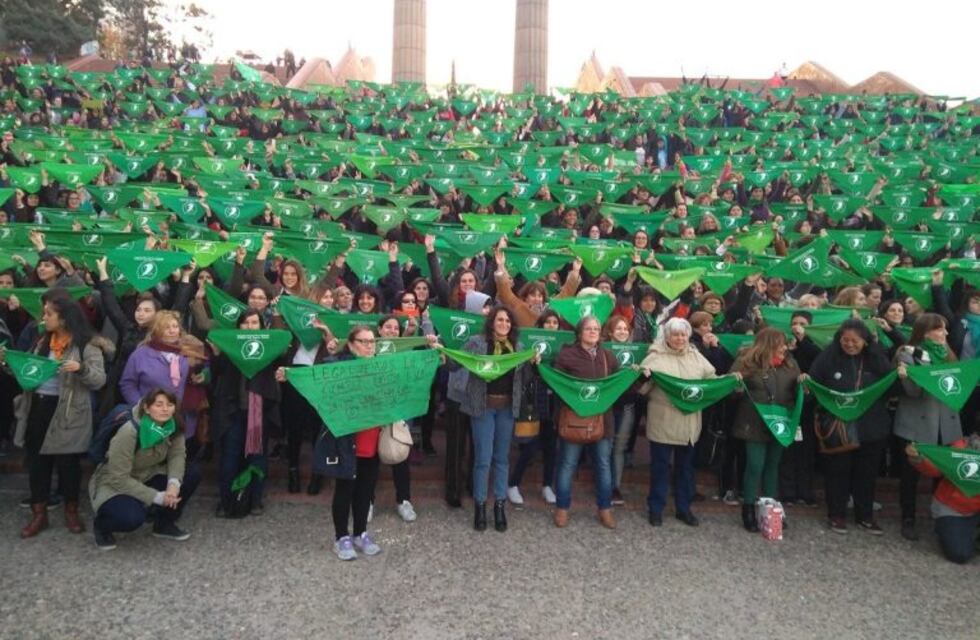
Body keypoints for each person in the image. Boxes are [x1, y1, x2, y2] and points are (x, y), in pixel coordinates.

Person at [10, 295, 106, 538]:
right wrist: (8, 362)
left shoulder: (86, 345)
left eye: (48, 314)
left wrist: (81, 368)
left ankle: (71, 511)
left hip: (68, 411)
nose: (44, 318)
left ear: (63, 318)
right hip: (38, 407)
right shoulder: (41, 339)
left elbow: (98, 379)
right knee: (37, 462)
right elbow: (29, 369)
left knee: (68, 465)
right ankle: (39, 513)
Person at [446, 305, 532, 532]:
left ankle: (500, 506)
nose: (504, 324)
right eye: (500, 320)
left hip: (506, 409)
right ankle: (481, 506)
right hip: (482, 407)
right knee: (483, 458)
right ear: (492, 322)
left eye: (507, 321)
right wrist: (441, 350)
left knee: (502, 458)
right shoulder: (476, 342)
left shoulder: (518, 347)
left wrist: (533, 363)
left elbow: (523, 380)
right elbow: (456, 364)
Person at [809, 319, 894, 535]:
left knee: (866, 475)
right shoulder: (828, 357)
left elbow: (892, 387)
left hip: (871, 427)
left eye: (854, 340)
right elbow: (815, 384)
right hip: (839, 427)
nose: (849, 344)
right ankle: (836, 515)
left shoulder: (877, 360)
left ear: (865, 341)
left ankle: (865, 516)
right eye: (844, 340)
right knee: (837, 472)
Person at [89, 389, 200, 549]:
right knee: (131, 518)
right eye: (159, 404)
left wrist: (173, 485)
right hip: (114, 482)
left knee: (191, 473)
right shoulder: (129, 431)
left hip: (148, 473)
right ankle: (102, 526)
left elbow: (177, 455)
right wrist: (156, 497)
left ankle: (164, 523)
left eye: (170, 405)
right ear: (147, 408)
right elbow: (118, 478)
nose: (165, 409)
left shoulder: (173, 425)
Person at [639, 317, 717, 527]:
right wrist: (644, 378)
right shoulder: (655, 357)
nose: (680, 338)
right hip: (663, 421)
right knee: (660, 469)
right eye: (675, 334)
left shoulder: (696, 356)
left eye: (683, 334)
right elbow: (641, 389)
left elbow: (711, 380)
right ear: (667, 336)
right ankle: (656, 508)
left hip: (689, 424)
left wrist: (729, 381)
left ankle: (684, 509)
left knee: (685, 470)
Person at [894, 312, 963, 541]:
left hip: (946, 423)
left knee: (942, 473)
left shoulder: (949, 354)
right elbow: (913, 393)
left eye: (945, 329)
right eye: (939, 329)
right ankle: (908, 518)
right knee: (911, 475)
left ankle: (940, 519)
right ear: (925, 332)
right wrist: (907, 377)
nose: (945, 333)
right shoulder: (909, 353)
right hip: (918, 423)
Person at [210, 310, 281, 518]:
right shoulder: (229, 346)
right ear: (238, 326)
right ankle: (225, 501)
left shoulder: (268, 347)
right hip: (232, 412)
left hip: (259, 413)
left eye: (254, 322)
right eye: (245, 323)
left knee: (258, 457)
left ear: (261, 326)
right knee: (230, 457)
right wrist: (216, 354)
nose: (250, 327)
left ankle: (256, 499)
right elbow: (217, 372)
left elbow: (281, 356)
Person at [731, 328, 801, 532]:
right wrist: (735, 385)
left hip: (780, 422)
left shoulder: (790, 363)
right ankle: (749, 508)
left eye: (785, 344)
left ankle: (771, 508)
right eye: (780, 344)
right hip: (754, 421)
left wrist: (803, 385)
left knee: (773, 465)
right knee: (755, 465)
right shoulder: (746, 362)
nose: (784, 348)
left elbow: (795, 391)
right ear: (768, 344)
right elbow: (731, 391)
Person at [553, 316, 620, 529]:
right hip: (574, 419)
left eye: (597, 329)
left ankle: (605, 509)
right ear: (580, 332)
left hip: (602, 421)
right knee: (567, 465)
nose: (593, 332)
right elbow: (557, 384)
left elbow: (617, 385)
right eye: (589, 328)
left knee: (602, 465)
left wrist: (640, 375)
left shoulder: (608, 357)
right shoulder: (567, 355)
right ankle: (562, 508)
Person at [905, 437, 980, 564]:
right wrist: (918, 457)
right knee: (959, 554)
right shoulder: (963, 446)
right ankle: (949, 530)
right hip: (953, 508)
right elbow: (936, 468)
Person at [119, 311, 189, 405]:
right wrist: (141, 406)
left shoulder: (188, 351)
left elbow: (201, 370)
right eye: (166, 327)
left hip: (180, 415)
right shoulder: (140, 354)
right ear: (156, 330)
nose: (172, 331)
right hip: (148, 413)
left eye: (175, 327)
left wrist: (204, 375)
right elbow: (127, 384)